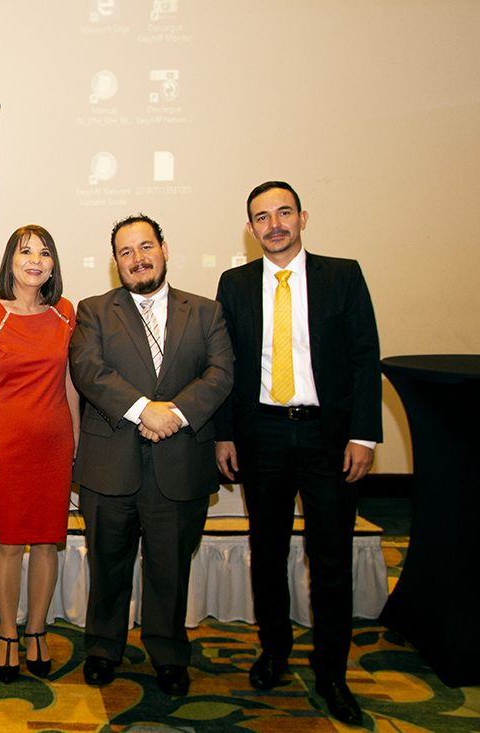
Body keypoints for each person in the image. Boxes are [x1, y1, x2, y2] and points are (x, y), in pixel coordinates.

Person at [214, 181, 380, 725]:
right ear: (251, 227)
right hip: (261, 435)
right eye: (262, 217)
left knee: (329, 559)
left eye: (284, 212)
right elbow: (226, 367)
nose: (275, 224)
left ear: (303, 218)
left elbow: (364, 360)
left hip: (327, 439)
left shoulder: (343, 275)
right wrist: (224, 433)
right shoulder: (234, 284)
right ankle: (274, 652)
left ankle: (332, 672)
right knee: (267, 552)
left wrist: (365, 435)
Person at [69, 215, 234, 696]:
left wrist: (176, 414)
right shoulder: (94, 310)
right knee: (107, 564)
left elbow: (221, 373)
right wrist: (145, 410)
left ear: (163, 247)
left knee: (170, 568)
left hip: (179, 462)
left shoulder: (205, 311)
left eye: (145, 246)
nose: (137, 258)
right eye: (126, 251)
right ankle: (102, 648)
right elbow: (88, 370)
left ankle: (168, 652)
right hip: (110, 464)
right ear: (115, 262)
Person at [0, 225, 80, 683]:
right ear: (10, 261)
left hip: (54, 446)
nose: (36, 259)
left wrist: (77, 445)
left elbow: (71, 383)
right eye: (25, 251)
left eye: (45, 252)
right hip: (4, 448)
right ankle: (8, 634)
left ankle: (37, 630)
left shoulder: (66, 314)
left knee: (48, 543)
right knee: (9, 545)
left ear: (53, 264)